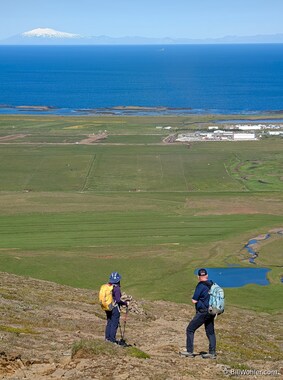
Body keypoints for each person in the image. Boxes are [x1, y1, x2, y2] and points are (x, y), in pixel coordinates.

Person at [180, 268, 217, 359]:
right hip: (211, 311)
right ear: (207, 276)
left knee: (190, 329)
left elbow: (194, 300)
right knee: (210, 332)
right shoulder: (212, 284)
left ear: (198, 277)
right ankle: (212, 353)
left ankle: (189, 351)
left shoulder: (200, 286)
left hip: (203, 312)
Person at [105, 271, 129, 345]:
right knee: (114, 323)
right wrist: (125, 303)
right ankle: (112, 340)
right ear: (118, 280)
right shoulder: (117, 288)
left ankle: (107, 338)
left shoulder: (108, 287)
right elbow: (118, 300)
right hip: (115, 308)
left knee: (109, 322)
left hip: (108, 307)